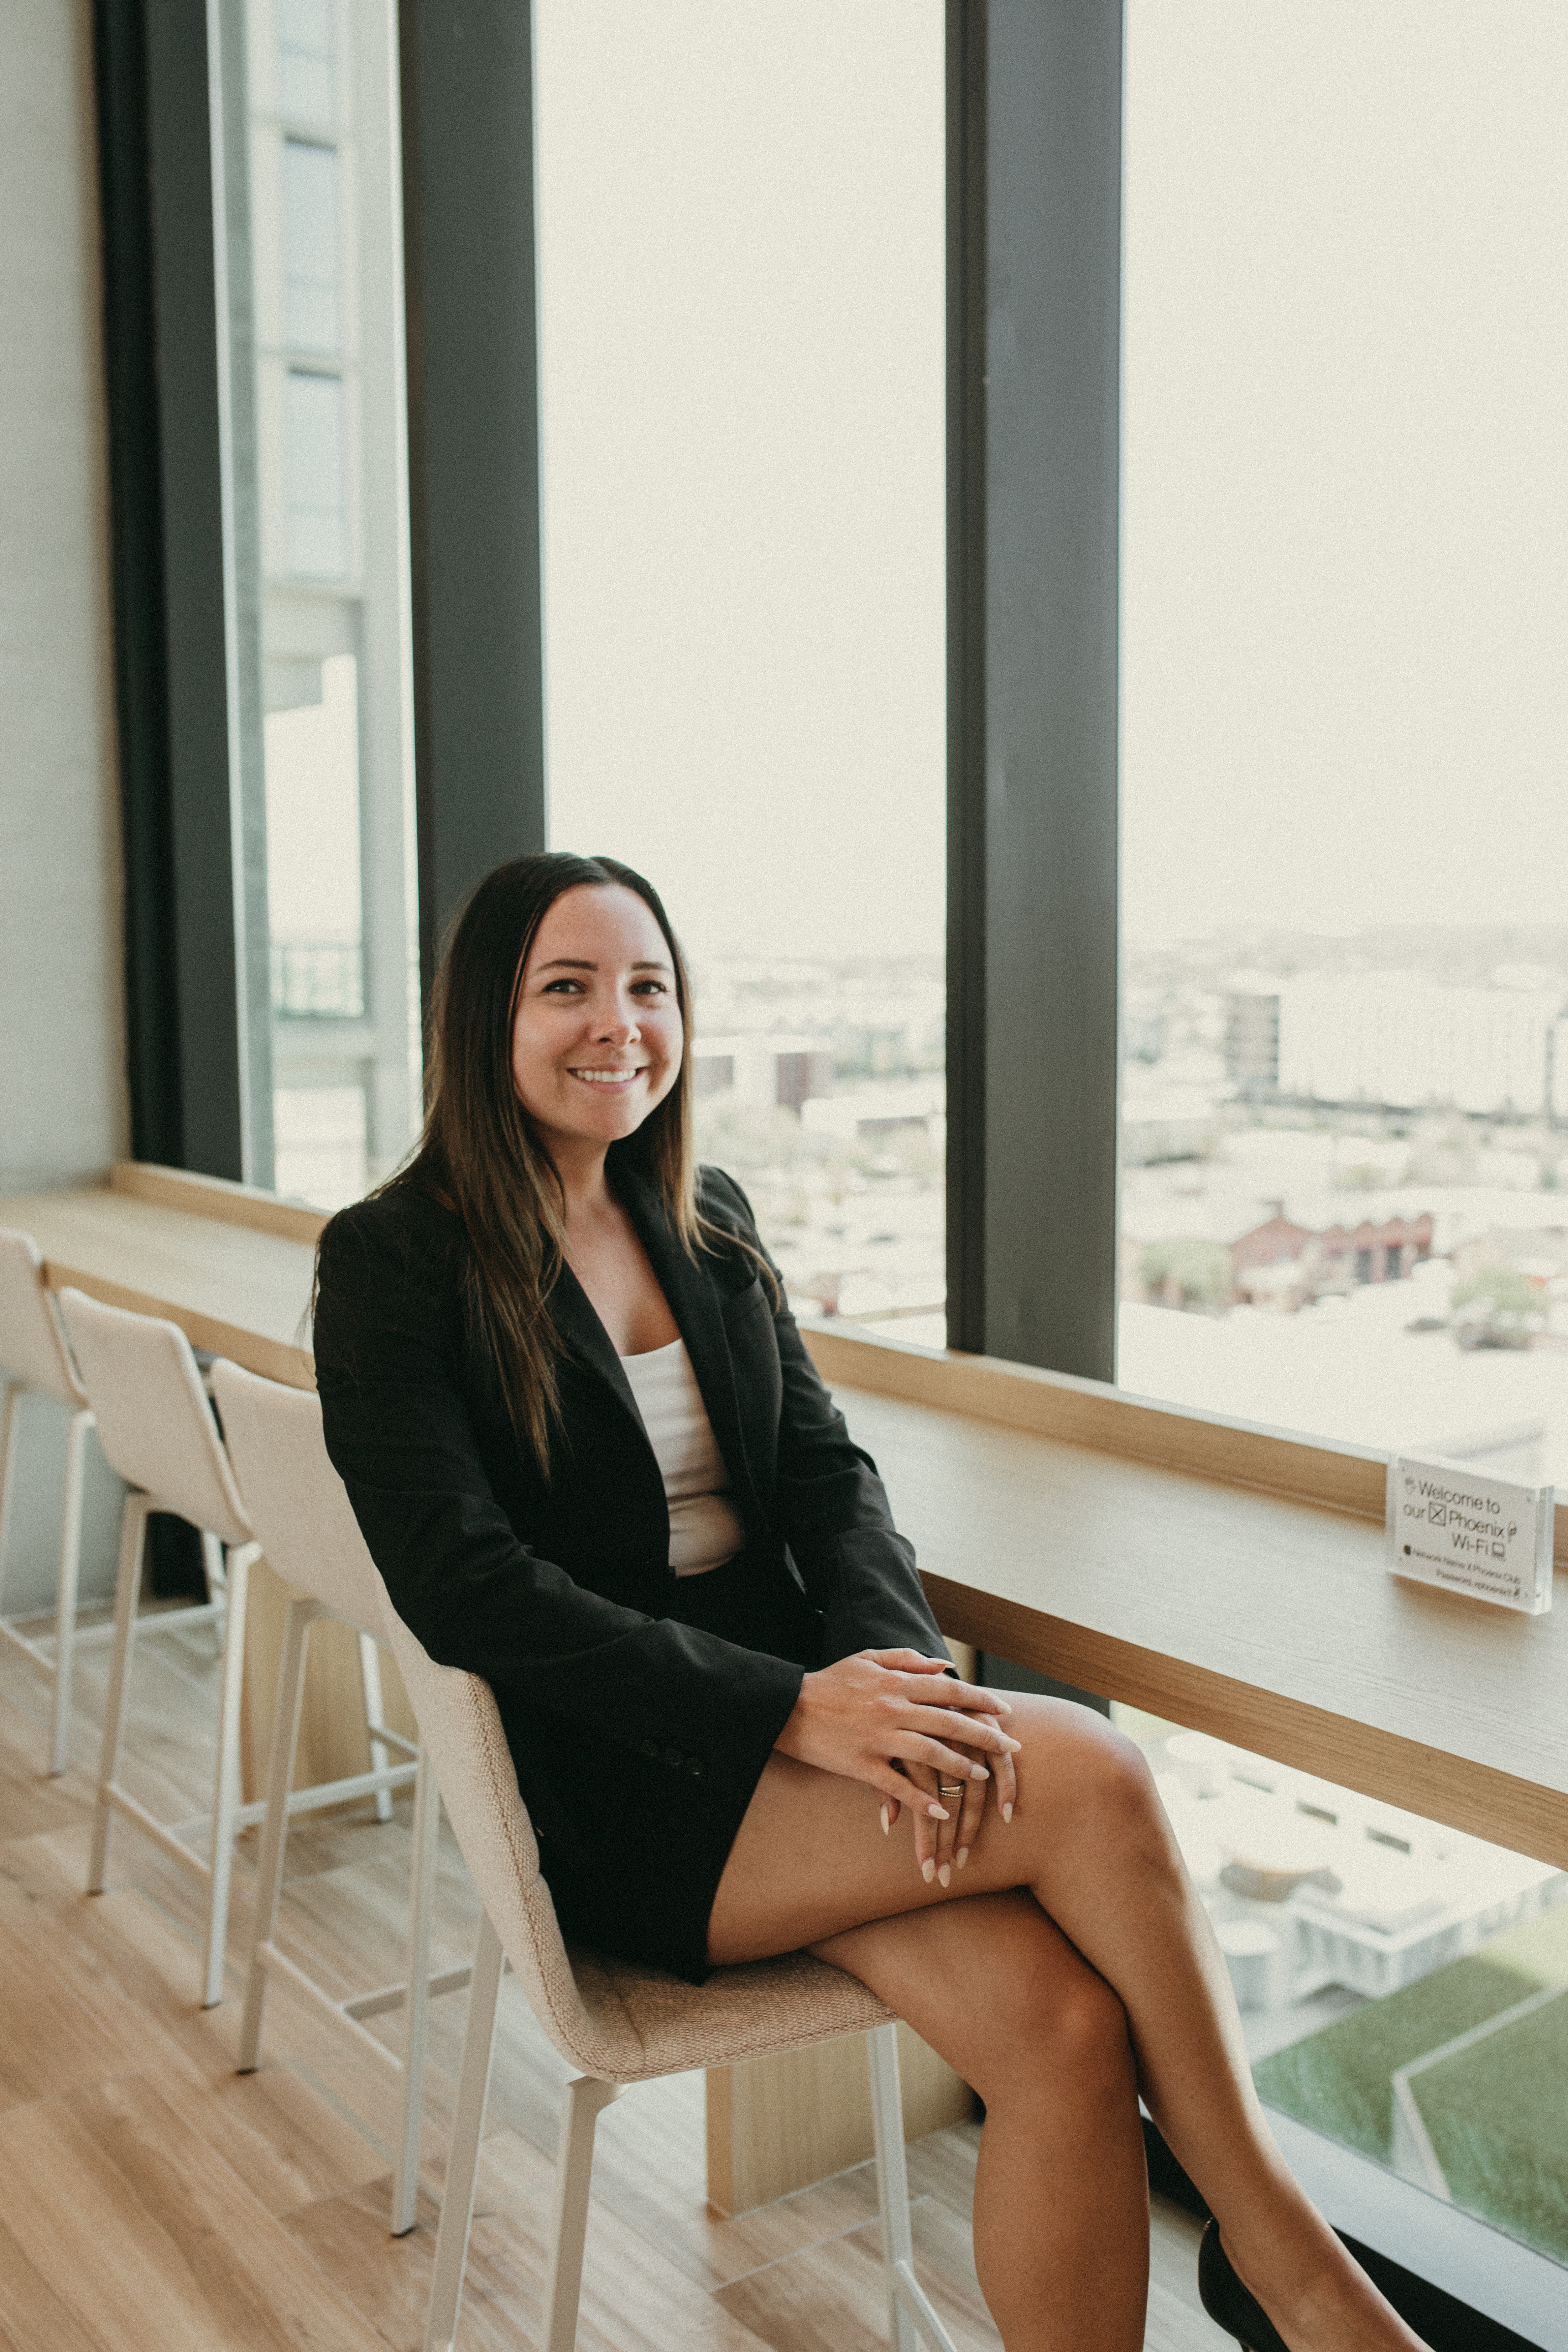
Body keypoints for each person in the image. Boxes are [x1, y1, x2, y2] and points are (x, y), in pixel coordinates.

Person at [313, 852, 1431, 2352]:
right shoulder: (393, 1259)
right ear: (482, 1020)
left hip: (812, 1737)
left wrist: (886, 1680)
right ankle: (1292, 2265)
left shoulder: (699, 1211)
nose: (619, 1022)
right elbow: (470, 1589)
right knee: (1096, 1771)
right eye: (565, 986)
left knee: (1066, 2030)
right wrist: (792, 1709)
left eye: (649, 986)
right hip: (629, 1777)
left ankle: (1263, 2266)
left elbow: (830, 1476)